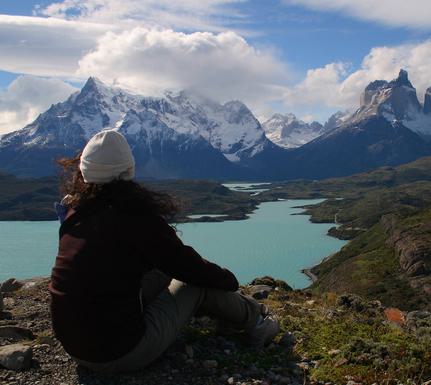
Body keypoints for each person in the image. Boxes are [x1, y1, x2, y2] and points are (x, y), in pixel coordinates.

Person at [49, 129, 280, 373]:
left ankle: (226, 316)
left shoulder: (73, 212)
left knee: (160, 273)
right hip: (119, 353)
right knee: (194, 283)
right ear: (129, 170)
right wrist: (228, 280)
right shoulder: (135, 217)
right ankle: (257, 322)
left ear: (84, 170)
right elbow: (190, 268)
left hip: (74, 347)